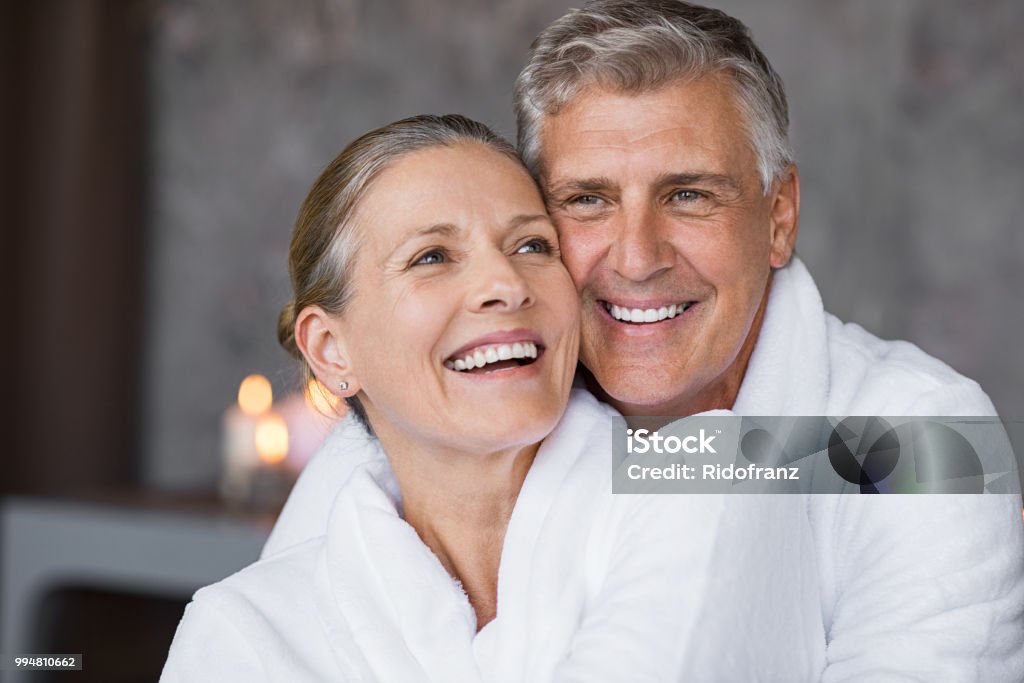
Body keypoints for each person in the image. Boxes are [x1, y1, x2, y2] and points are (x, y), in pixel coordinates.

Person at [265, 1, 1024, 680]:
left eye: (688, 195)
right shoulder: (420, 435)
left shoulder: (930, 441)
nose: (636, 257)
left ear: (780, 215)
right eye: (586, 201)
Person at [162, 115, 819, 681]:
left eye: (532, 245)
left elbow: (900, 455)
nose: (504, 282)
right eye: (432, 257)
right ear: (332, 351)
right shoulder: (245, 633)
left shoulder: (699, 481)